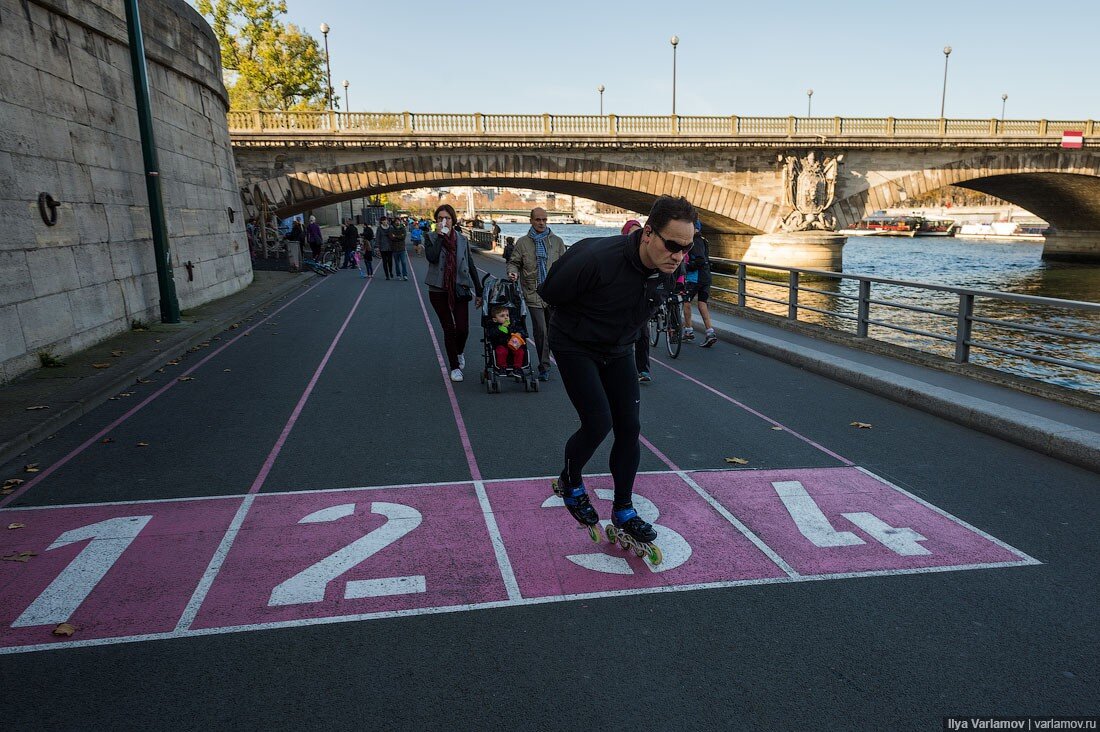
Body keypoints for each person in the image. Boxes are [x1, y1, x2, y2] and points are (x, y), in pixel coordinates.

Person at [538, 195, 696, 556]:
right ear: (648, 234)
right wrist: (587, 320)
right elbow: (549, 293)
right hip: (576, 345)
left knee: (630, 426)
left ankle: (623, 510)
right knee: (598, 422)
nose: (678, 255)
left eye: (685, 248)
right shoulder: (595, 258)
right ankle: (570, 481)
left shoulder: (670, 272)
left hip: (619, 348)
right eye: (672, 245)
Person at [423, 204, 484, 382]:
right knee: (449, 329)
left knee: (463, 329)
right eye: (440, 218)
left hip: (459, 288)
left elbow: (470, 265)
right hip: (437, 289)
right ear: (436, 221)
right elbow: (432, 257)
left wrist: (479, 291)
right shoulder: (431, 237)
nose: (444, 221)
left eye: (447, 218)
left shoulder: (462, 240)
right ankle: (455, 367)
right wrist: (441, 237)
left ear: (453, 220)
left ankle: (459, 352)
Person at [507, 207, 565, 382]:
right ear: (531, 220)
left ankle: (559, 360)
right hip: (533, 293)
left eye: (544, 220)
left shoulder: (557, 242)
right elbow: (514, 262)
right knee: (541, 331)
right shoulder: (523, 243)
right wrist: (513, 272)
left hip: (554, 294)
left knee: (556, 330)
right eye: (538, 220)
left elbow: (566, 264)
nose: (541, 223)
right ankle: (544, 366)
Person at [620, 219, 654, 382]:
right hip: (622, 302)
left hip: (642, 301)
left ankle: (643, 369)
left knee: (643, 334)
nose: (636, 235)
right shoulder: (620, 254)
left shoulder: (648, 254)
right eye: (632, 232)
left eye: (638, 231)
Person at [682, 220, 718, 347]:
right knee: (702, 304)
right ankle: (710, 332)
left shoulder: (694, 241)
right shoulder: (704, 240)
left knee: (686, 301)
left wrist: (686, 266)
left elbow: (700, 260)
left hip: (695, 278)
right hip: (706, 277)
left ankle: (688, 331)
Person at [487, 305, 526, 371]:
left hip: (514, 344)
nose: (506, 318)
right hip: (501, 344)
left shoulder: (513, 325)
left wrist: (520, 333)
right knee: (501, 351)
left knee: (520, 351)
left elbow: (522, 331)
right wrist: (502, 328)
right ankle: (502, 367)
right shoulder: (495, 327)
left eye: (507, 315)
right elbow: (491, 334)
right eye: (502, 316)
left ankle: (518, 367)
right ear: (495, 319)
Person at [390, 216, 410, 280]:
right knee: (397, 263)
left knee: (403, 262)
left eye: (398, 221)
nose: (397, 222)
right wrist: (399, 236)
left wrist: (395, 236)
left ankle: (405, 275)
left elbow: (403, 237)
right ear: (394, 222)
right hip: (395, 248)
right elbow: (391, 238)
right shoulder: (392, 229)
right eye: (396, 221)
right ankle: (398, 275)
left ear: (400, 222)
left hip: (402, 248)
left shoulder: (403, 229)